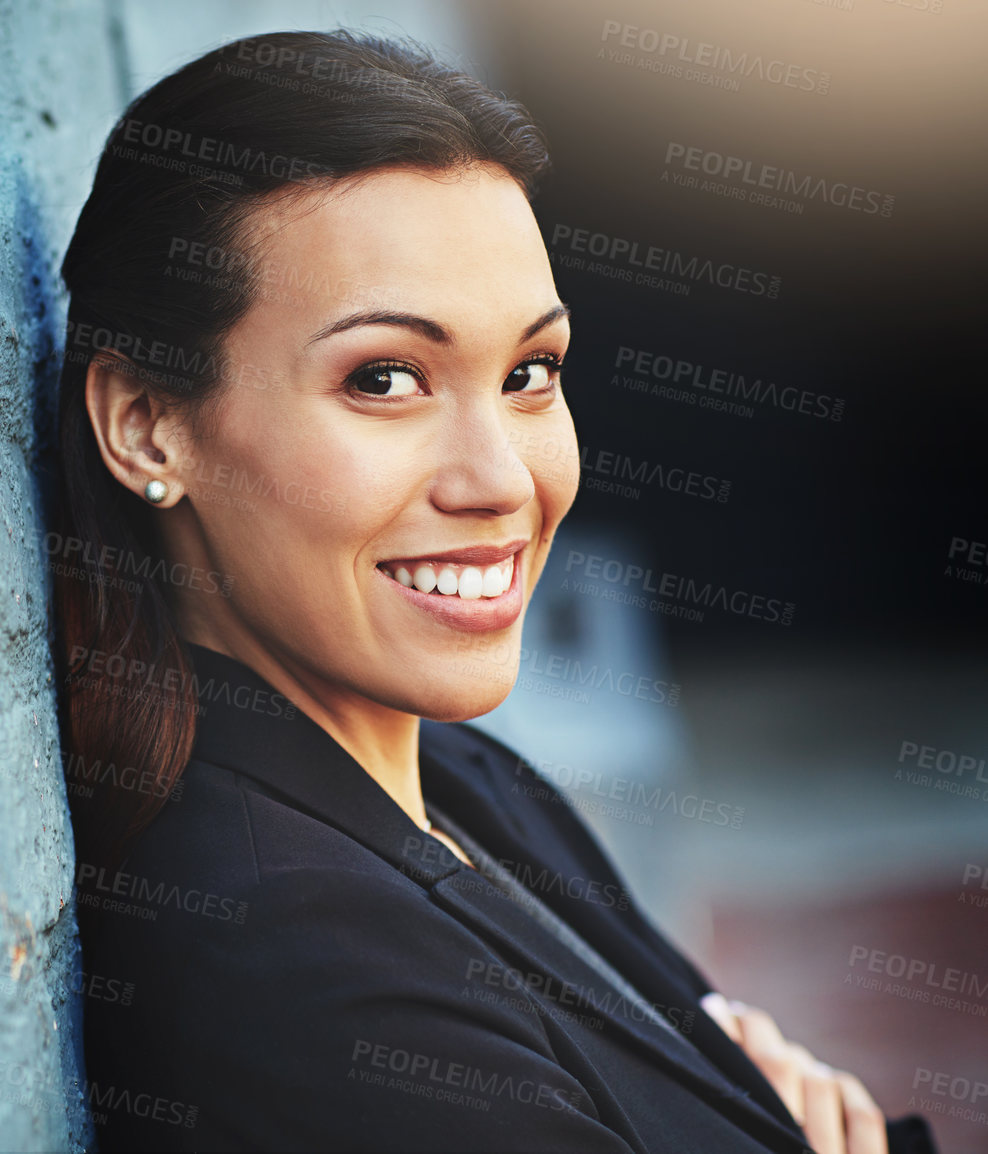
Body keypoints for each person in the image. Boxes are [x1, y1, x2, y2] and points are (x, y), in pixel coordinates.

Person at [48, 29, 937, 1154]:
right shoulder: (303, 962)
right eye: (383, 378)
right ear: (144, 423)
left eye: (529, 373)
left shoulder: (453, 771)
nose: (502, 479)